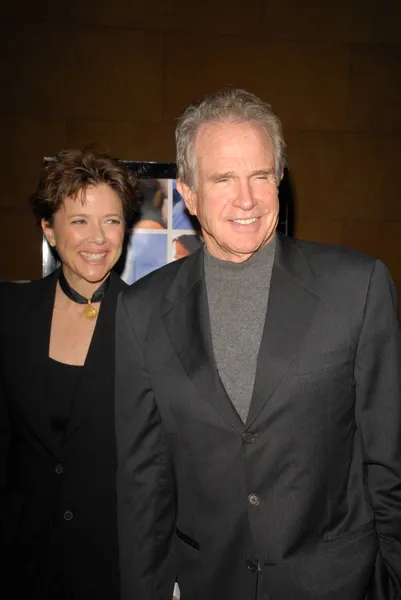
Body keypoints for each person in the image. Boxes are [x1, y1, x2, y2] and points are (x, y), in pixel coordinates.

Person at [115, 89, 401, 600]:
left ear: (279, 179)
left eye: (261, 176)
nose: (246, 199)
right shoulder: (141, 311)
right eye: (223, 179)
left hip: (340, 584)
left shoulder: (357, 287)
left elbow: (390, 461)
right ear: (189, 193)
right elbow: (143, 486)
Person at [0, 148, 139, 599]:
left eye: (112, 221)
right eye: (79, 221)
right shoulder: (9, 313)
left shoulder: (153, 322)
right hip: (22, 559)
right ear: (49, 230)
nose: (98, 238)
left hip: (113, 564)